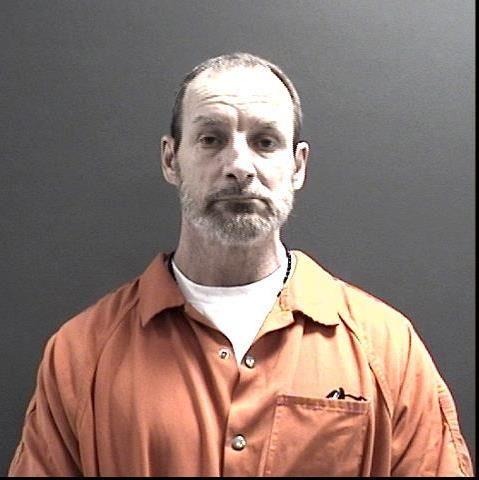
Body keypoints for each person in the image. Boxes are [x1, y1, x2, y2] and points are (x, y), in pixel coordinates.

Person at [8, 52, 473, 477]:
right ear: (171, 159)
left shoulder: (387, 349)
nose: (239, 166)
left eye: (265, 142)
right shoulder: (81, 353)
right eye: (211, 139)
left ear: (298, 166)